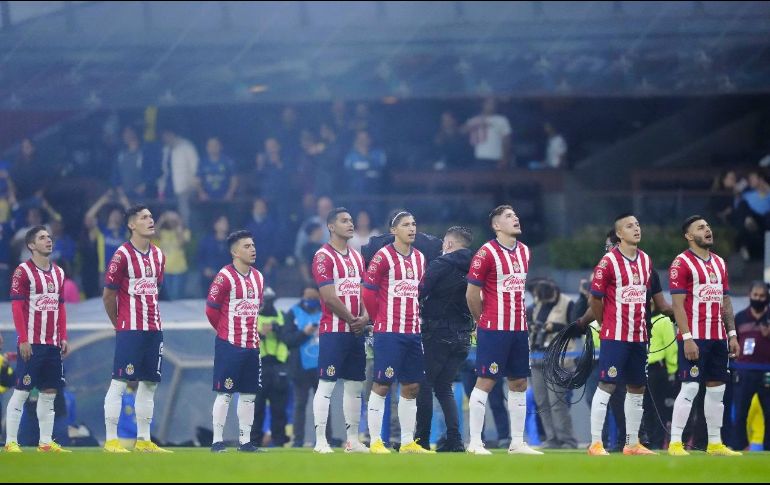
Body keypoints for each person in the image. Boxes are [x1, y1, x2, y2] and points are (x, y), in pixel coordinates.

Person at [465, 205, 541, 455]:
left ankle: (517, 442)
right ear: (496, 226)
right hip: (493, 328)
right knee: (486, 381)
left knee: (519, 382)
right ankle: (475, 442)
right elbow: (471, 293)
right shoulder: (485, 253)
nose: (516, 218)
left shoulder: (525, 252)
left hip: (519, 328)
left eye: (516, 215)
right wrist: (481, 321)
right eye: (509, 216)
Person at [666, 215, 742, 456]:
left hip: (718, 336)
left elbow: (725, 300)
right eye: (700, 227)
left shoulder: (719, 262)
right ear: (689, 236)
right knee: (689, 388)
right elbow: (677, 305)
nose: (707, 230)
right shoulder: (681, 263)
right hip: (695, 337)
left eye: (708, 226)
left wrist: (732, 334)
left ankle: (715, 443)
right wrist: (687, 337)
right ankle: (676, 442)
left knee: (717, 391)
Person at [362, 211, 433, 454]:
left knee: (412, 386)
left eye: (414, 223)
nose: (412, 228)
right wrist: (375, 320)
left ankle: (406, 442)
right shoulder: (383, 257)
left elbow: (419, 291)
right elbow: (369, 292)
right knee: (382, 384)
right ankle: (375, 442)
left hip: (413, 332)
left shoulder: (421, 258)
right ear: (393, 230)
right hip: (389, 331)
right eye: (405, 224)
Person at [102, 205, 171, 453]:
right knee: (120, 381)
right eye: (144, 217)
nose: (151, 220)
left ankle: (144, 440)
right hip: (130, 328)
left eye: (152, 216)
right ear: (132, 224)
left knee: (150, 383)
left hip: (154, 329)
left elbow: (157, 288)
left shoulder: (159, 255)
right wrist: (118, 324)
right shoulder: (122, 255)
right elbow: (108, 295)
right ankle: (111, 440)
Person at [587, 213, 656, 456]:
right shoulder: (608, 262)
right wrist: (604, 323)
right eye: (629, 225)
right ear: (619, 234)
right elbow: (595, 298)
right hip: (615, 335)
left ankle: (632, 443)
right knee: (607, 383)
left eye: (637, 224)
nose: (636, 228)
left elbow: (644, 298)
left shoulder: (646, 260)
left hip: (639, 336)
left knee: (637, 387)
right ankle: (596, 443)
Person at [3, 226, 70, 453]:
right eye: (42, 238)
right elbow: (17, 307)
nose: (48, 240)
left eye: (49, 237)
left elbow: (60, 307)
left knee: (49, 393)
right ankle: (11, 442)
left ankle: (45, 442)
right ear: (31, 245)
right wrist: (23, 339)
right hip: (31, 342)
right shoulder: (23, 272)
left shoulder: (59, 273)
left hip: (52, 344)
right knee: (22, 391)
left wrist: (63, 336)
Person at [310, 207, 369, 454]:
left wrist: (365, 317)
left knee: (355, 385)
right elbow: (329, 297)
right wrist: (353, 319)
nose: (350, 224)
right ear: (331, 227)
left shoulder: (357, 257)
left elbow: (364, 292)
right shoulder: (323, 257)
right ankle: (320, 441)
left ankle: (352, 440)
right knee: (327, 384)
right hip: (334, 331)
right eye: (344, 220)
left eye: (352, 219)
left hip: (355, 331)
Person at [415, 226, 475, 452]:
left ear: (448, 244)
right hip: (463, 335)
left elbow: (420, 291)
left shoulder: (441, 264)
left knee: (425, 384)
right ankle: (455, 440)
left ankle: (421, 440)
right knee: (444, 386)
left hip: (438, 332)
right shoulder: (474, 266)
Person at [205, 230, 264, 453]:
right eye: (247, 246)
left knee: (249, 395)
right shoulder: (224, 276)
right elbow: (211, 310)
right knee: (225, 393)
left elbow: (257, 308)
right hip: (229, 344)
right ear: (234, 252)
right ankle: (217, 441)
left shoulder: (258, 277)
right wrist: (225, 332)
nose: (253, 249)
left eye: (253, 245)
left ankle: (245, 441)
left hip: (252, 345)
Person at [528, 278, 577, 449]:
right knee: (541, 401)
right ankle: (551, 438)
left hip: (559, 359)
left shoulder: (567, 303)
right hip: (537, 357)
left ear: (553, 292)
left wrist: (555, 326)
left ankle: (567, 439)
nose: (542, 302)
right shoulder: (537, 302)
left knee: (557, 402)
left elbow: (576, 330)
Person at [280, 287, 326, 449]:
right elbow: (287, 339)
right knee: (300, 404)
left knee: (323, 404)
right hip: (300, 367)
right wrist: (304, 333)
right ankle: (298, 440)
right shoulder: (292, 313)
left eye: (315, 297)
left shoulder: (325, 311)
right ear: (302, 297)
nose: (312, 300)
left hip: (322, 365)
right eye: (309, 297)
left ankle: (325, 439)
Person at [732, 281, 770, 450]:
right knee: (740, 413)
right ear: (749, 295)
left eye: (762, 296)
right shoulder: (739, 317)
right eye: (755, 295)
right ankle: (740, 447)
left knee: (768, 413)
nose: (758, 299)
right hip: (744, 371)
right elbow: (732, 343)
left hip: (767, 372)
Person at [251, 287, 290, 447]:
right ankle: (254, 440)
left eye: (270, 300)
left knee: (279, 406)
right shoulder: (252, 316)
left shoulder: (282, 316)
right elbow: (245, 335)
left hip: (279, 365)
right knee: (257, 405)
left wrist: (276, 329)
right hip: (259, 364)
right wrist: (260, 333)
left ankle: (279, 439)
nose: (268, 304)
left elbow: (289, 338)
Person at [462, 97, 512, 169]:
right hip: (480, 158)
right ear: (483, 104)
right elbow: (462, 131)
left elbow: (507, 141)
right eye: (489, 103)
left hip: (497, 158)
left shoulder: (502, 120)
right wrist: (473, 124)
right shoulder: (475, 119)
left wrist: (505, 158)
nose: (492, 106)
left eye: (494, 104)